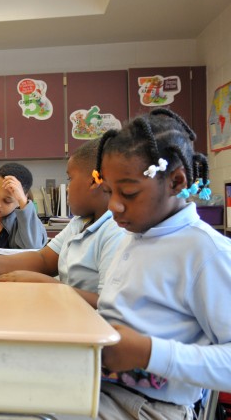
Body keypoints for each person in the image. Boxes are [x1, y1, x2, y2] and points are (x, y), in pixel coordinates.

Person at [73, 109, 230, 419]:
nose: (114, 206)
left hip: (149, 408)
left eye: (128, 192)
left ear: (176, 182)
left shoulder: (205, 251)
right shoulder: (136, 235)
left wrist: (148, 352)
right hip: (101, 388)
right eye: (108, 191)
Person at [0, 140, 125, 308]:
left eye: (70, 178)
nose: (66, 188)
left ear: (95, 181)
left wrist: (50, 285)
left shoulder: (115, 231)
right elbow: (43, 259)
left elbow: (109, 306)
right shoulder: (79, 223)